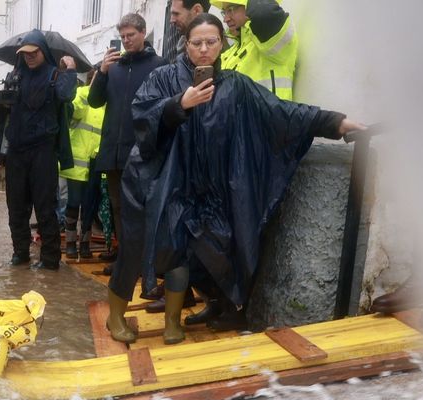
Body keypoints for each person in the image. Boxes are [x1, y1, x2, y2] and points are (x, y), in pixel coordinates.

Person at [105, 13, 364, 345]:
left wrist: (336, 123)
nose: (203, 50)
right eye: (196, 43)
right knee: (134, 250)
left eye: (210, 42)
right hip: (155, 181)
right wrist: (178, 104)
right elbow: (141, 116)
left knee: (182, 254)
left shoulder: (235, 87)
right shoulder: (163, 78)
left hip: (203, 189)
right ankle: (115, 317)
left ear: (221, 44)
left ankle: (173, 321)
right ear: (186, 45)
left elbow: (281, 112)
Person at [89, 14, 166, 277]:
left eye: (131, 35)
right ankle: (125, 260)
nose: (126, 40)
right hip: (113, 150)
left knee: (142, 209)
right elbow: (94, 101)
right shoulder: (114, 68)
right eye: (122, 36)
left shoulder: (159, 65)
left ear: (143, 33)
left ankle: (146, 263)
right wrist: (101, 72)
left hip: (143, 151)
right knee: (118, 207)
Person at [0, 30, 76, 270]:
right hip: (17, 150)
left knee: (45, 206)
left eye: (34, 53)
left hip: (43, 150)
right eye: (25, 53)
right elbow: (2, 112)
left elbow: (66, 94)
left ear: (43, 52)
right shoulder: (15, 75)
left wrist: (70, 70)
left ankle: (50, 259)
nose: (29, 57)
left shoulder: (55, 75)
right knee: (16, 206)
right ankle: (20, 251)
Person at [59, 71, 104, 260]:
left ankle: (84, 242)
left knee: (89, 205)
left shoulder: (107, 99)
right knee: (73, 202)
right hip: (78, 161)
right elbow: (74, 111)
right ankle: (70, 242)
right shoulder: (82, 94)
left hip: (96, 160)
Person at [212, 0, 297, 100]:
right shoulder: (229, 53)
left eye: (231, 10)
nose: (225, 19)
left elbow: (264, 12)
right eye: (224, 12)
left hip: (269, 115)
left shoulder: (268, 41)